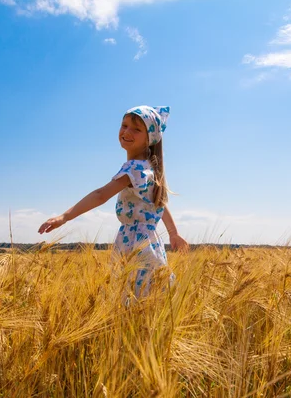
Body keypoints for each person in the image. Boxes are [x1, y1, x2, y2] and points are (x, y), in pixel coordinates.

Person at [38, 105, 189, 300]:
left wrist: (65, 217)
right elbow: (159, 203)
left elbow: (101, 195)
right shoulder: (148, 169)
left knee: (130, 298)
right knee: (146, 298)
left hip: (133, 243)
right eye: (124, 125)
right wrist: (173, 233)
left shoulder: (134, 169)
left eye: (136, 129)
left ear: (149, 139)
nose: (126, 131)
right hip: (150, 243)